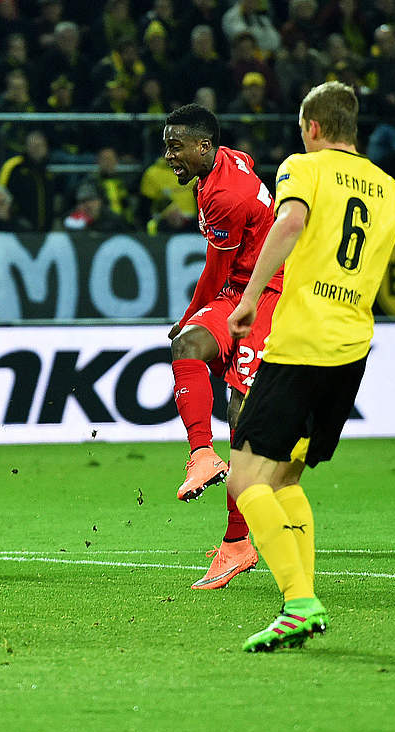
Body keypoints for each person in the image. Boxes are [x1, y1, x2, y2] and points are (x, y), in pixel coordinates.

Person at [225, 81, 395, 652]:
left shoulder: (304, 166)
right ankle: (295, 605)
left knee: (245, 479)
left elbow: (291, 223)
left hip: (299, 343)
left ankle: (299, 601)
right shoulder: (394, 191)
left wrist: (251, 298)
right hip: (352, 354)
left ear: (315, 128)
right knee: (286, 476)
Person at [160, 104, 277, 591]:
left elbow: (215, 268)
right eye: (167, 147)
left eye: (176, 147)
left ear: (203, 146)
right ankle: (202, 454)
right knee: (188, 347)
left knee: (241, 413)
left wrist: (190, 311)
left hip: (268, 294)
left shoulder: (224, 193)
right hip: (239, 291)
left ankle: (238, 542)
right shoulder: (227, 163)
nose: (170, 158)